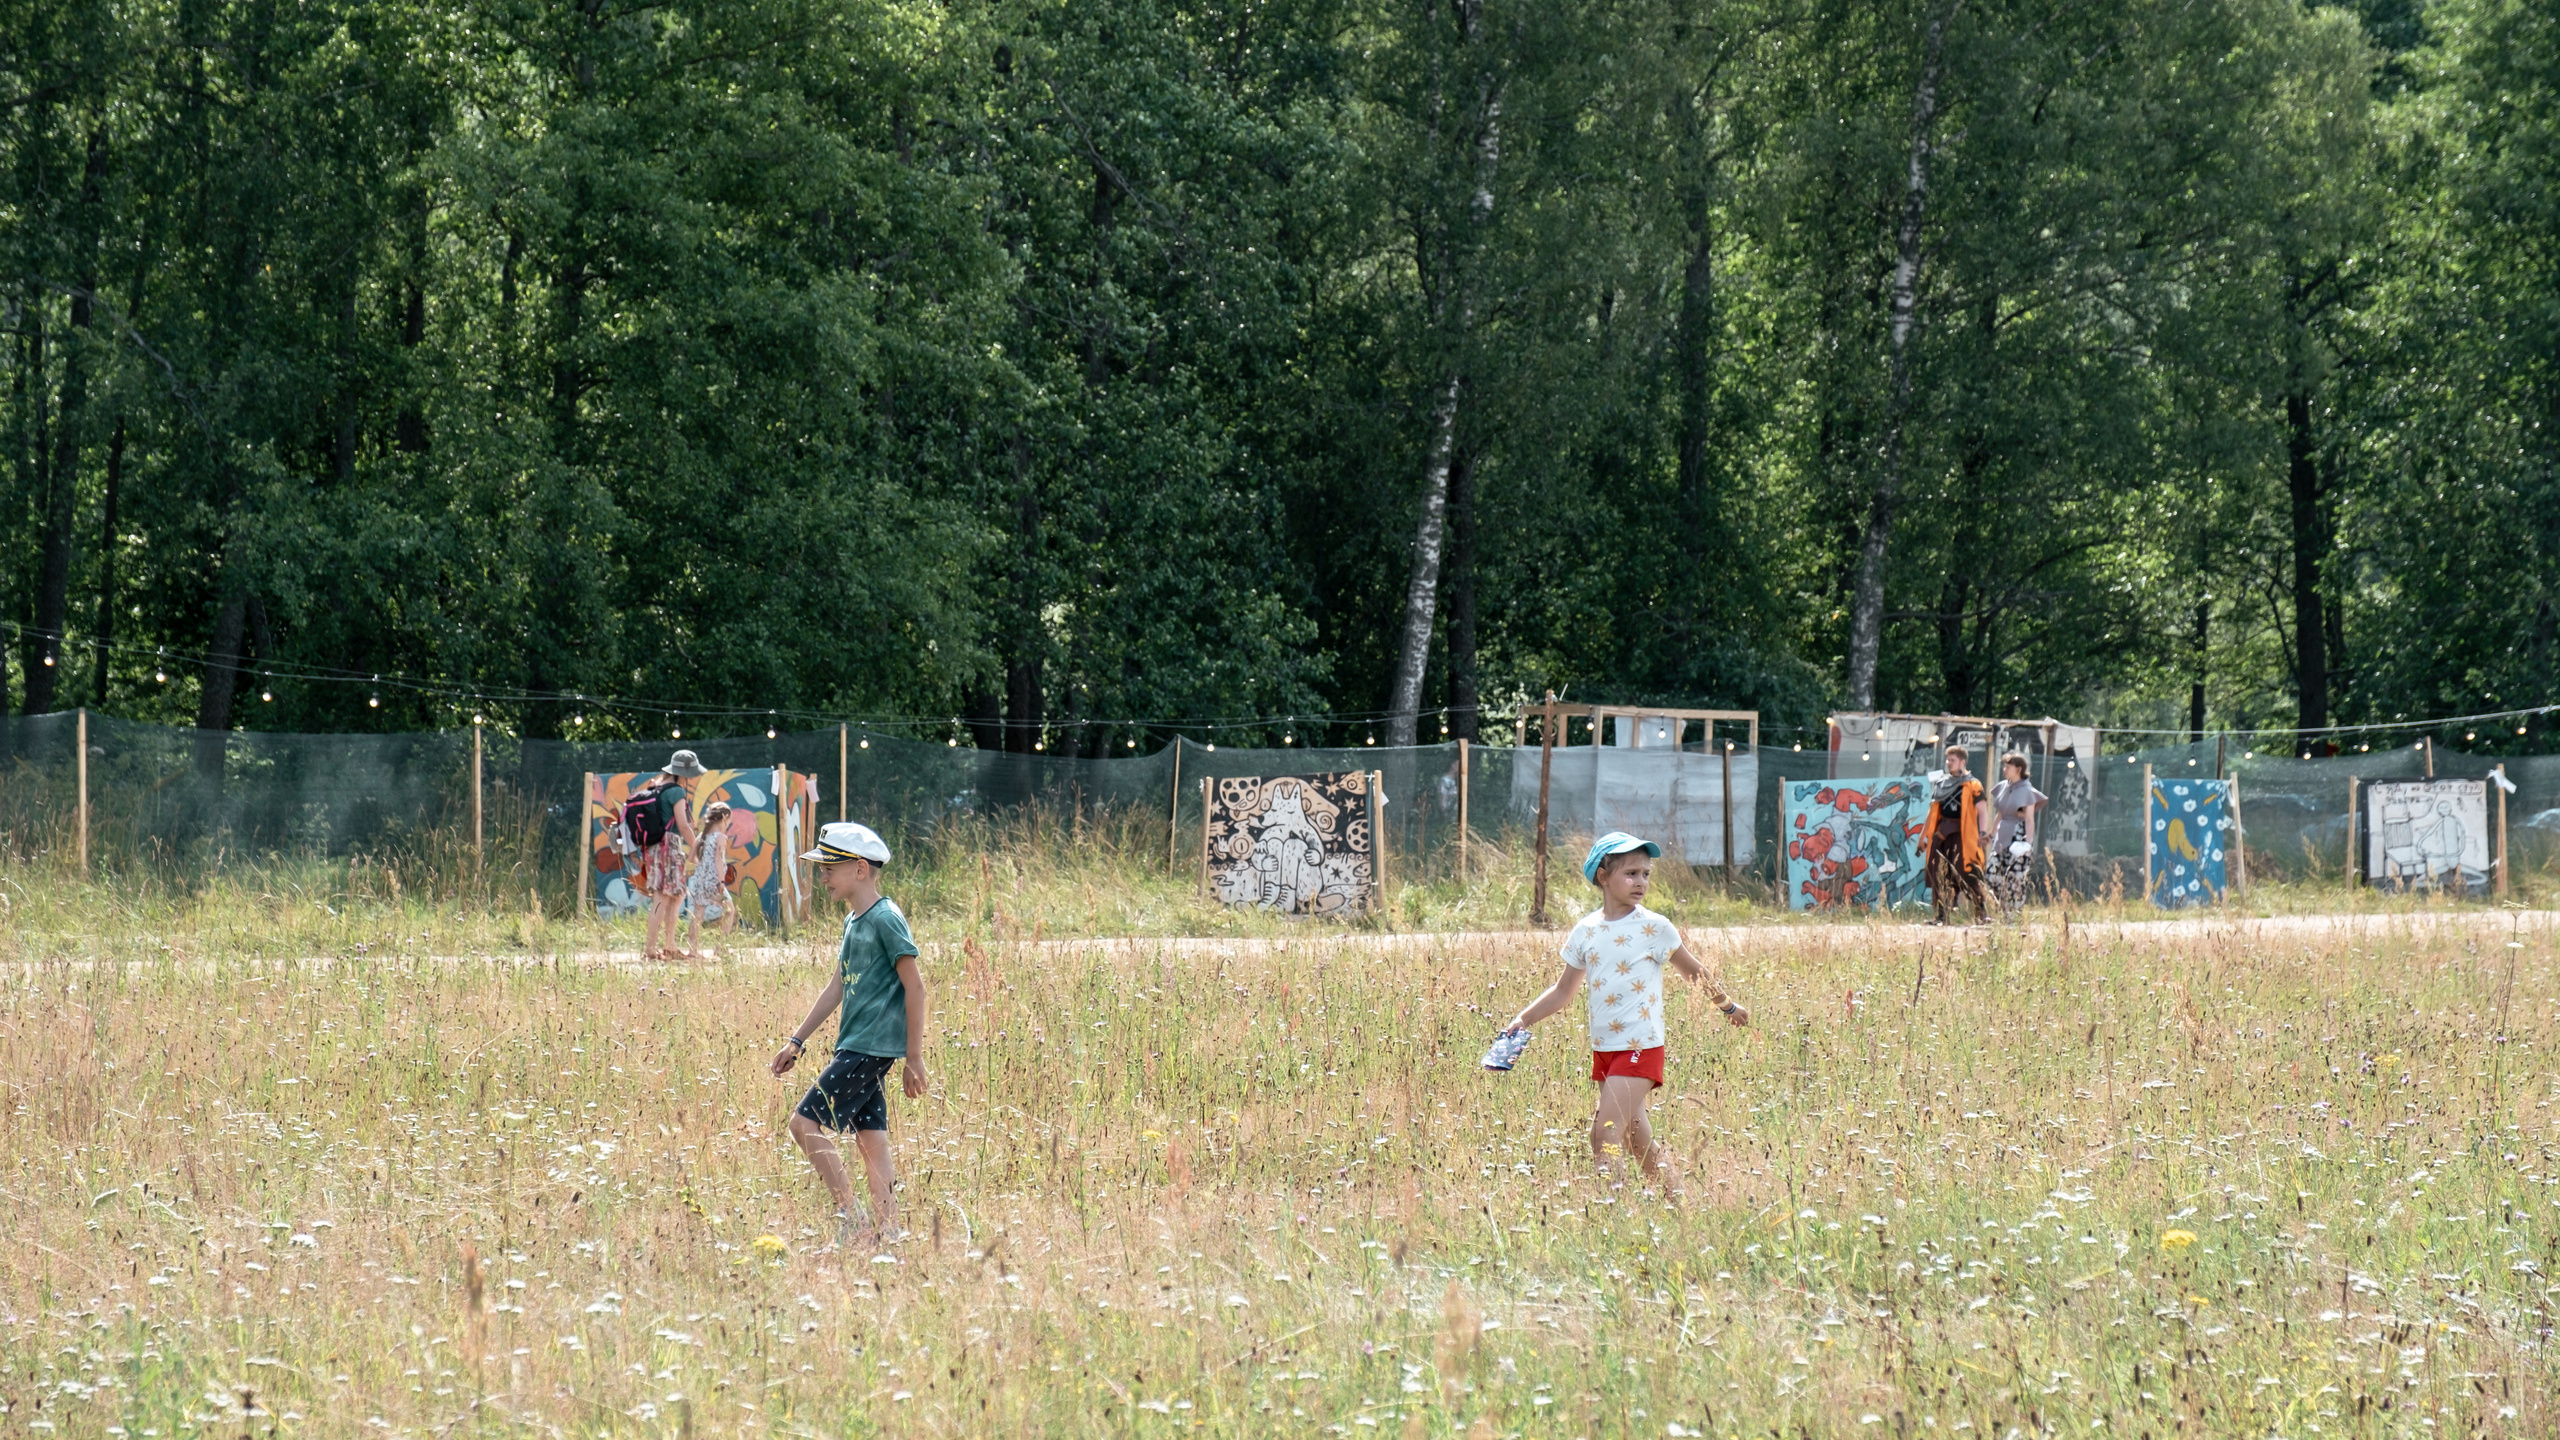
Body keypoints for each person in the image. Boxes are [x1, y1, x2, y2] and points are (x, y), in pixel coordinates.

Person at [1497, 832, 1748, 1192]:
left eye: (1646, 874)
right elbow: (1563, 990)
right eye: (1631, 873)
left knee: (1604, 1136)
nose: (1641, 882)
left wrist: (1728, 1006)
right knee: (1636, 1142)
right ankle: (1679, 1207)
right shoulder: (1585, 930)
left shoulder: (1654, 927)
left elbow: (1693, 971)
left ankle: (1611, 1212)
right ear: (1603, 876)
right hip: (1606, 1050)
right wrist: (1523, 1019)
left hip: (1640, 1046)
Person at [768, 821, 927, 1250]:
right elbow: (838, 985)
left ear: (859, 869)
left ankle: (852, 1219)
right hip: (855, 1044)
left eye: (829, 869)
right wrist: (796, 1041)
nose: (822, 878)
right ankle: (889, 1235)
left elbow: (915, 985)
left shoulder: (886, 919)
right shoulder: (853, 921)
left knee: (803, 1124)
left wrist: (914, 1057)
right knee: (871, 1140)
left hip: (870, 1048)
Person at [635, 750, 704, 961]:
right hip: (669, 846)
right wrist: (697, 848)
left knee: (675, 896)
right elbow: (683, 826)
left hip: (653, 847)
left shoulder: (655, 785)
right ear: (681, 773)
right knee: (662, 897)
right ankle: (651, 948)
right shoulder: (676, 792)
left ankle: (670, 946)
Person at [1923, 745, 1991, 925]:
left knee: (1965, 871)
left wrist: (1983, 832)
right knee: (1939, 873)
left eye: (1952, 760)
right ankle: (1941, 916)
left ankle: (1981, 912)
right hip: (1941, 834)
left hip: (1962, 835)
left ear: (1962, 762)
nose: (1948, 763)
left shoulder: (1973, 784)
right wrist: (1923, 836)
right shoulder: (1942, 784)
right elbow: (1932, 813)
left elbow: (1983, 810)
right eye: (1948, 760)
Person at [1987, 753, 2047, 916]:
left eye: (2008, 766)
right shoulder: (2003, 787)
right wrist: (1991, 834)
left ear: (2018, 769)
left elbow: (2029, 819)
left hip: (2018, 834)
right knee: (1992, 874)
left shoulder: (2027, 791)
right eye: (2004, 766)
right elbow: (1999, 814)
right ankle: (2003, 909)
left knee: (2015, 877)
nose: (2004, 769)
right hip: (2002, 834)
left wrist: (2028, 843)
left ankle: (2014, 913)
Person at [680, 799, 739, 960]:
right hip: (714, 880)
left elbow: (691, 858)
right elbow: (719, 860)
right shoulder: (721, 837)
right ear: (724, 818)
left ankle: (692, 950)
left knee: (697, 914)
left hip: (699, 880)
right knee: (730, 910)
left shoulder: (701, 837)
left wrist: (703, 866)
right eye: (728, 821)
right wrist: (721, 881)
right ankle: (721, 947)